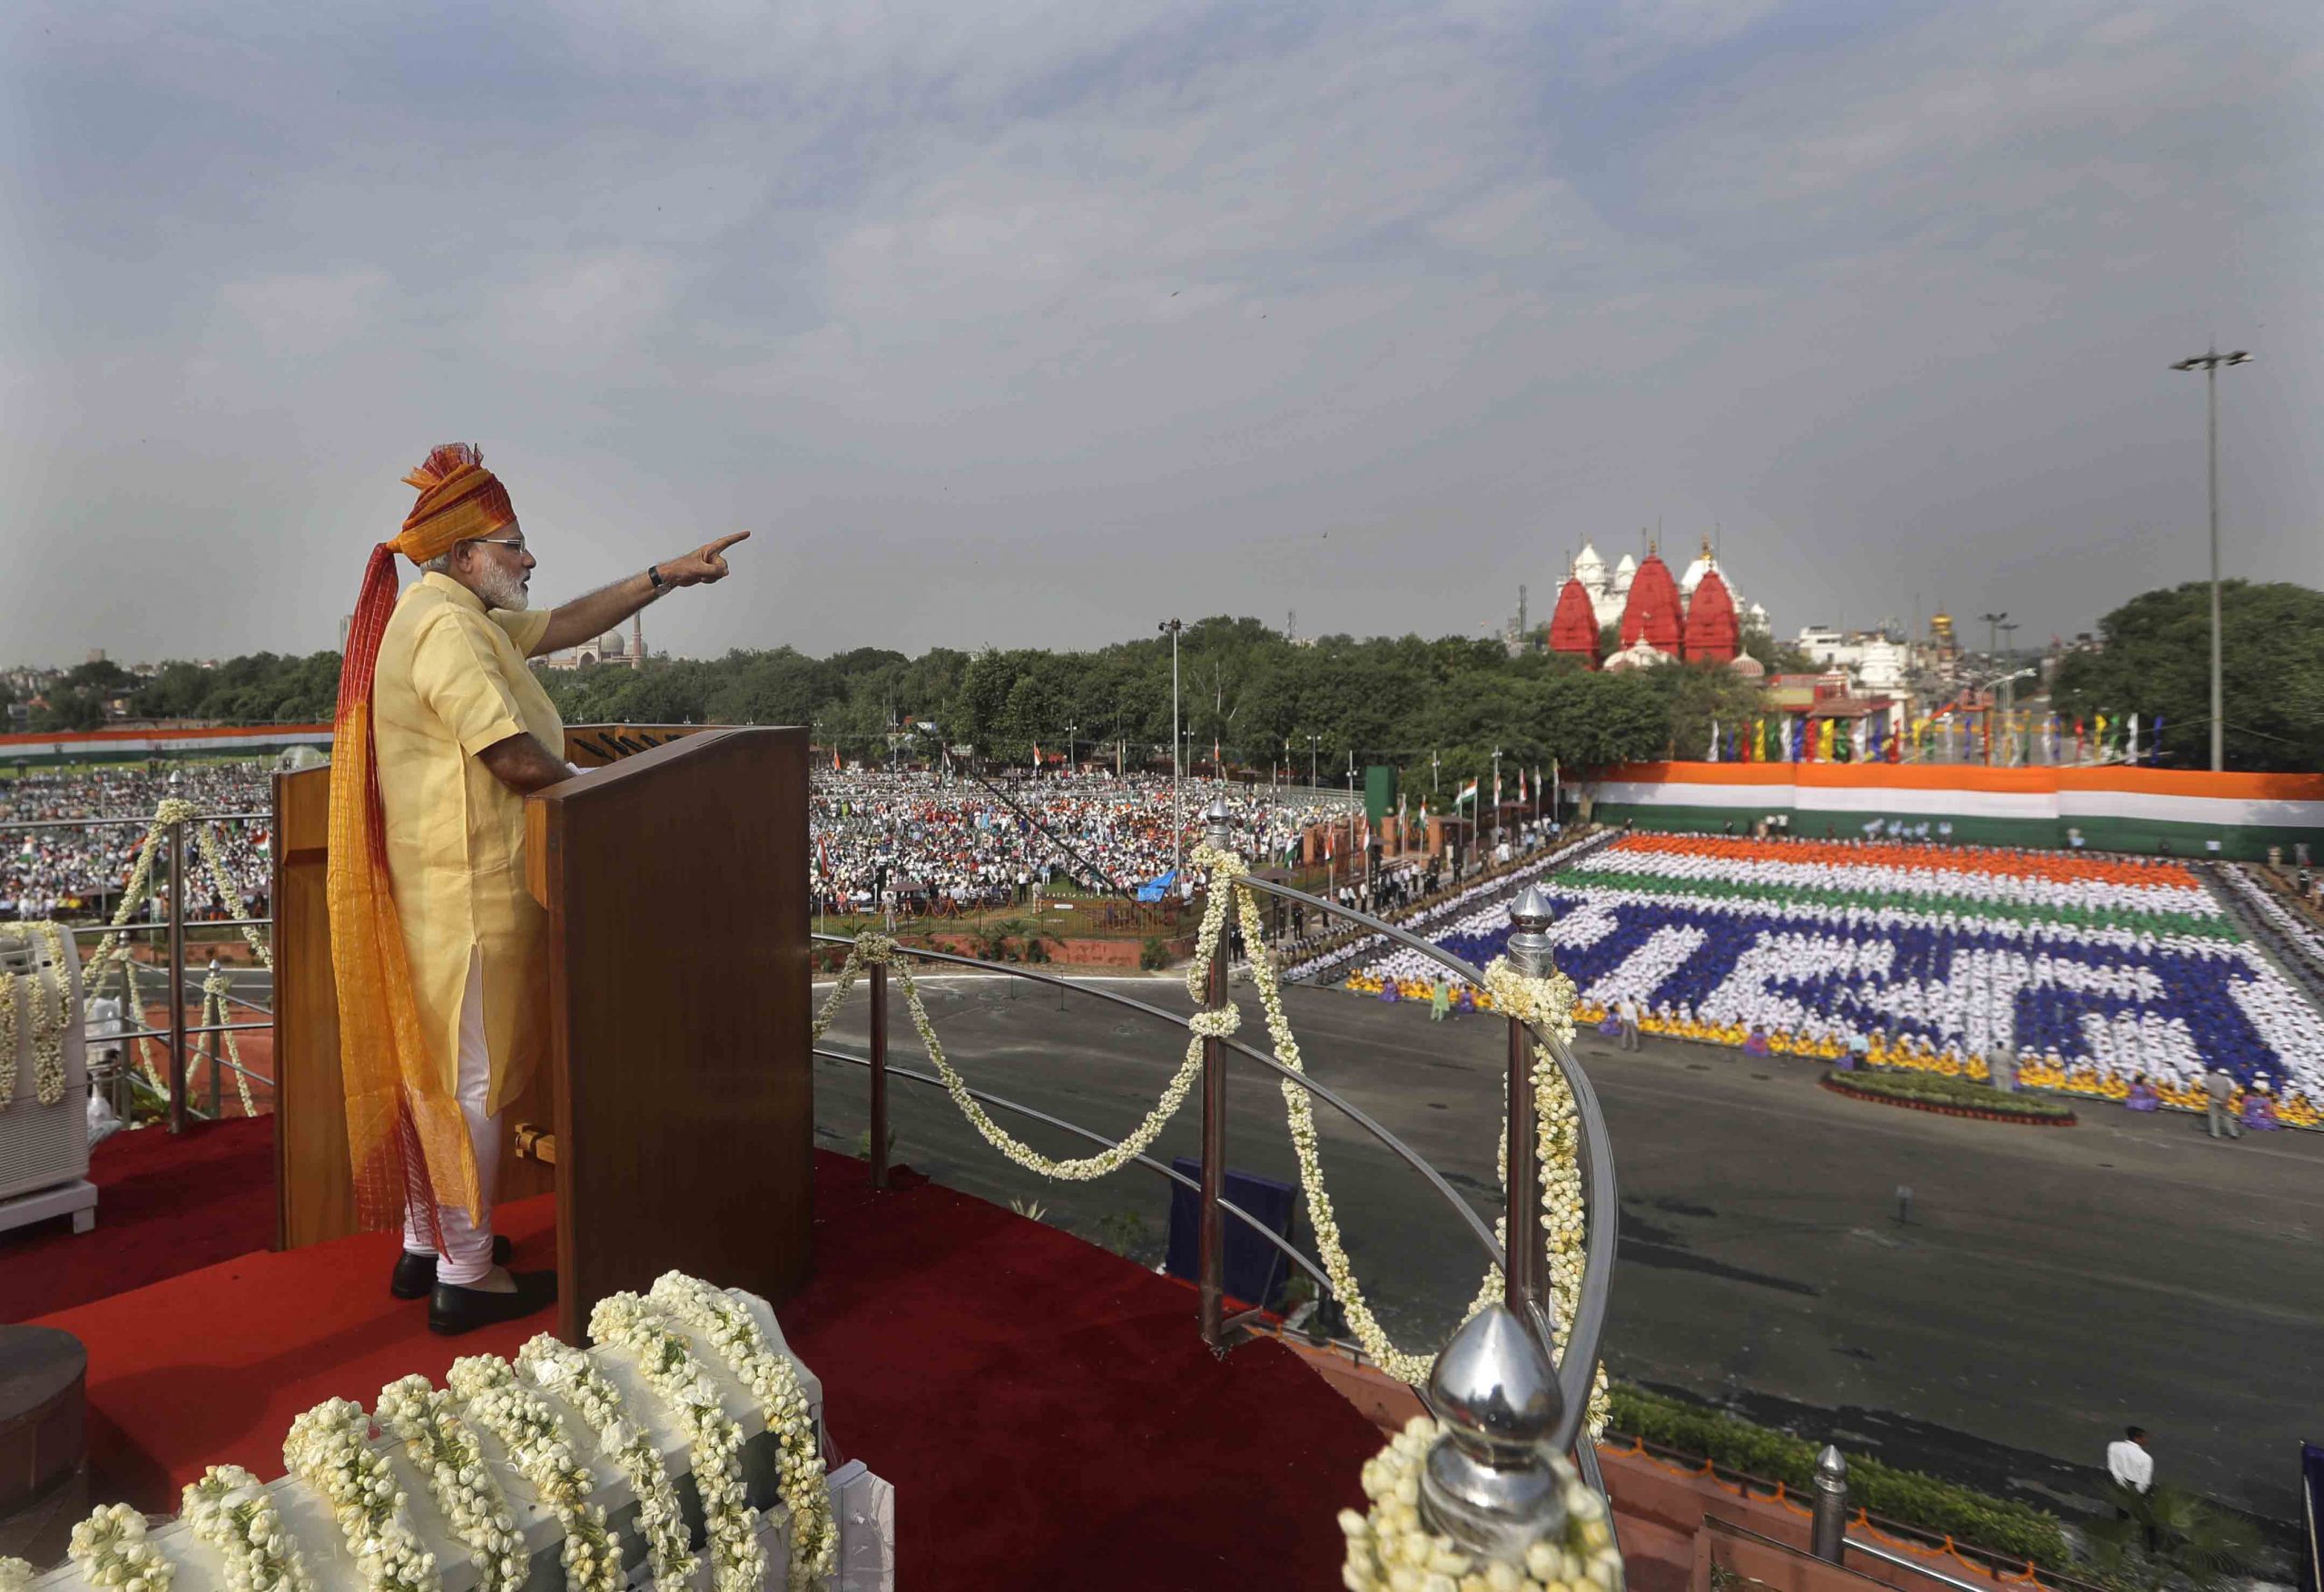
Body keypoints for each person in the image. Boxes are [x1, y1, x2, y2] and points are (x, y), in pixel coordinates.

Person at [330, 442, 748, 1335]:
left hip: (450, 890)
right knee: (472, 1081)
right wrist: (610, 806)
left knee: (441, 1074)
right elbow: (513, 756)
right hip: (468, 896)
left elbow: (563, 623)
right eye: (513, 544)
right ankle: (464, 1271)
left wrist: (663, 575)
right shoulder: (445, 625)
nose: (528, 558)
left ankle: (425, 1239)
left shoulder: (454, 610)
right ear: (464, 553)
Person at [2106, 1428, 2155, 1548]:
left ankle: (2120, 1544)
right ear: (2137, 1439)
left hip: (2120, 1484)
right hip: (2135, 1488)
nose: (2146, 1440)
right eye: (2144, 1437)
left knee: (2122, 1517)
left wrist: (2121, 1483)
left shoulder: (2113, 1446)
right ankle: (2150, 1548)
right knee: (2148, 1521)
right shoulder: (2146, 1458)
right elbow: (2145, 1482)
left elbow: (2113, 1468)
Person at [2201, 1064, 2240, 1140]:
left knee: (2213, 1117)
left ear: (2208, 1071)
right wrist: (2225, 1100)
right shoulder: (2224, 1079)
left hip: (2214, 1099)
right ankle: (2233, 1133)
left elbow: (2209, 1091)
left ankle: (2215, 1134)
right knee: (2227, 1117)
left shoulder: (2208, 1079)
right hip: (2224, 1099)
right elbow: (2229, 1091)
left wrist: (2218, 1098)